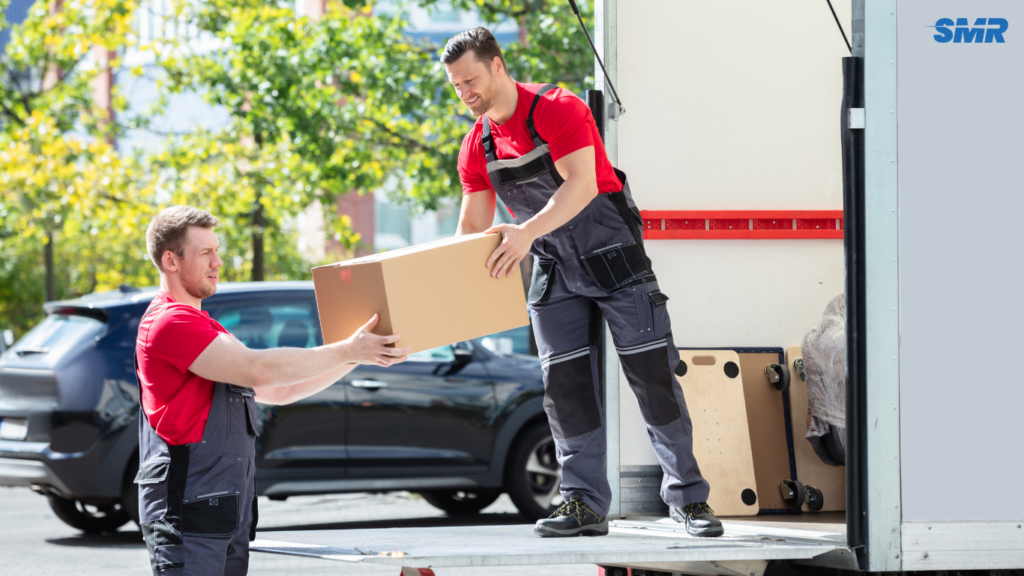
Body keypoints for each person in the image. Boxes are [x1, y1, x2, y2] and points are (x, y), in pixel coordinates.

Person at [442, 28, 723, 538]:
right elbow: (470, 231)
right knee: (565, 389)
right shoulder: (475, 146)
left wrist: (524, 233)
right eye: (456, 84)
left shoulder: (556, 107)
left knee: (652, 376)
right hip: (552, 264)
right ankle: (584, 504)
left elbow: (581, 183)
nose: (465, 92)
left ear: (498, 66)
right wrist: (436, 296)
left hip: (612, 256)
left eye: (471, 79)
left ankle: (688, 499)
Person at [134, 206, 409, 575]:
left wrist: (360, 356)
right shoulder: (169, 322)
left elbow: (280, 390)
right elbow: (257, 369)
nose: (218, 262)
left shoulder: (206, 326)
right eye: (205, 253)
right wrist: (347, 349)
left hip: (222, 512)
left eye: (217, 250)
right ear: (170, 260)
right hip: (188, 514)